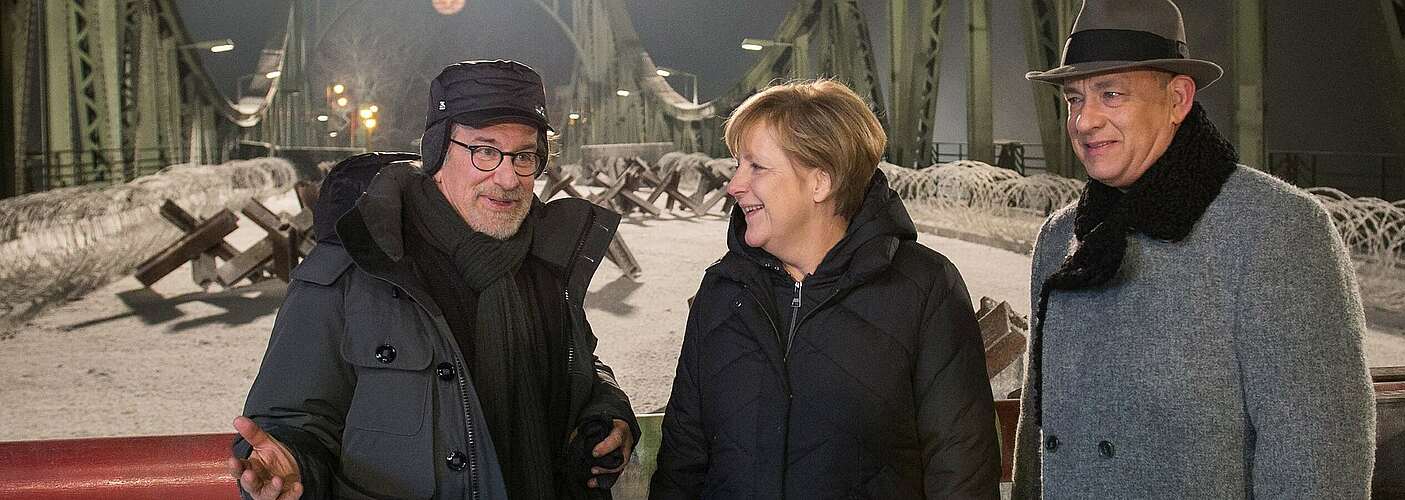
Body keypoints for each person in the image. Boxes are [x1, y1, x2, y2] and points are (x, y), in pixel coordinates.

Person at [1011, 0, 1377, 497]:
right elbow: (1039, 443)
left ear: (1178, 99)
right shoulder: (1061, 239)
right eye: (1075, 99)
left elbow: (1318, 457)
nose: (1084, 121)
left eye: (1111, 94)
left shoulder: (1274, 229)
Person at [229, 60, 639, 499]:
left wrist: (606, 409)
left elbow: (579, 366)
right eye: (485, 151)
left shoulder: (543, 261)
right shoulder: (355, 269)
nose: (508, 178)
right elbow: (291, 418)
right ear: (437, 154)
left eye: (524, 156)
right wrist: (294, 462)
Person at [649, 80, 1001, 499]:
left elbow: (961, 473)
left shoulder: (924, 290)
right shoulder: (723, 291)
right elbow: (682, 461)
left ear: (821, 182)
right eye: (738, 165)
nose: (733, 185)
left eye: (756, 167)